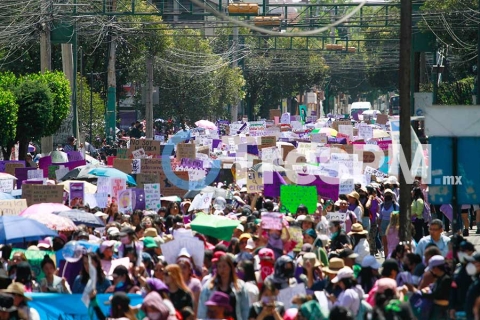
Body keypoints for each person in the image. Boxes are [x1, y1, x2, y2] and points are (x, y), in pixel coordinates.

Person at [198, 255, 250, 320]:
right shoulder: (209, 286)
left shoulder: (240, 286)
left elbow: (245, 308)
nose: (221, 269)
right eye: (219, 266)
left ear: (230, 268)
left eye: (224, 266)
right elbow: (202, 308)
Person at [378, 189, 398, 258]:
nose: (388, 195)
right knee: (385, 243)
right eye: (386, 194)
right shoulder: (381, 205)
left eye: (389, 194)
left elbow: (398, 216)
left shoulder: (395, 205)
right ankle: (386, 257)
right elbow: (380, 216)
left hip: (392, 225)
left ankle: (392, 256)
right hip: (383, 224)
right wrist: (379, 225)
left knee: (392, 242)